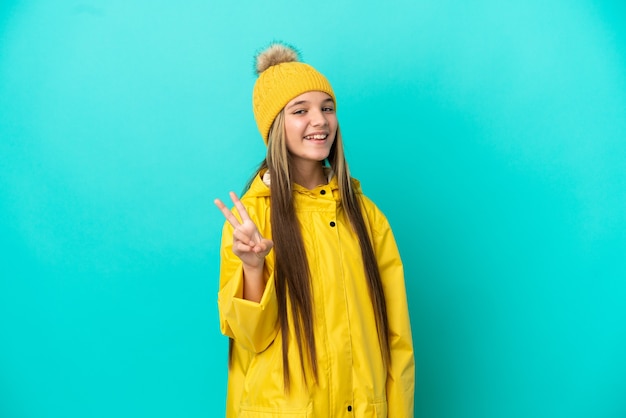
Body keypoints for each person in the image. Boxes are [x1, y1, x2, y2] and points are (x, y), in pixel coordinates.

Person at [214, 42, 414, 417]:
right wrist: (254, 268)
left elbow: (397, 340)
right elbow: (250, 339)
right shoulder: (250, 219)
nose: (319, 121)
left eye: (327, 108)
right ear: (275, 126)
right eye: (300, 111)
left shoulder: (367, 217)